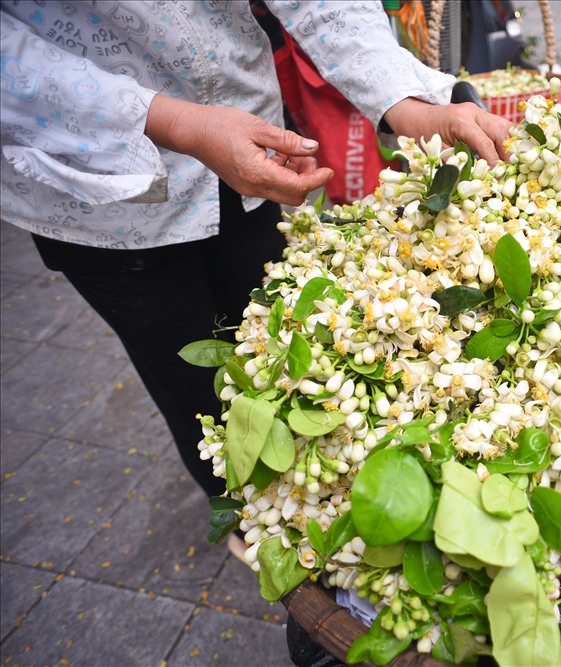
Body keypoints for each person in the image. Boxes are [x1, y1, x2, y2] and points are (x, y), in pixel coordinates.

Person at [0, 3, 512, 509]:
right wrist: (178, 123)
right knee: (197, 389)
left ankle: (310, 499)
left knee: (290, 349)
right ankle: (251, 514)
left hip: (253, 140)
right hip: (102, 191)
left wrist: (407, 104)